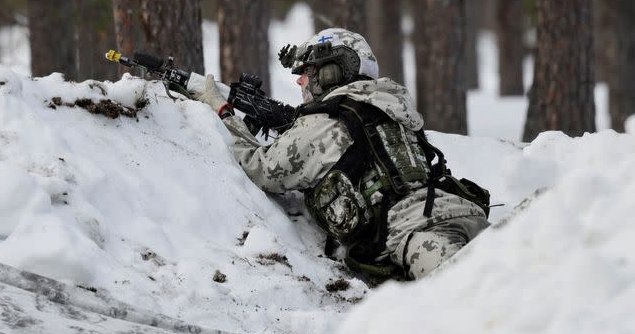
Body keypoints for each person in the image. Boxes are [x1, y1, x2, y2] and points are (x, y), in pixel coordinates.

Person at [192, 28, 490, 280]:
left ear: (333, 72)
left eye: (308, 72)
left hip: (419, 236)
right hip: (463, 212)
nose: (300, 81)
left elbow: (259, 168)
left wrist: (221, 111)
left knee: (468, 296)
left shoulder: (327, 122)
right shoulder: (388, 106)